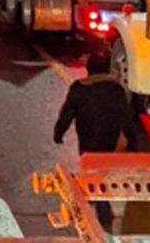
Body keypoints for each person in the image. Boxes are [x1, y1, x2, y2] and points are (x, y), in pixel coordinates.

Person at [54, 52, 137, 229]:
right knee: (103, 170)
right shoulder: (116, 89)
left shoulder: (79, 88)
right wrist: (132, 141)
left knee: (91, 170)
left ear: (88, 69)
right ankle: (101, 206)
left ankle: (99, 211)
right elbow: (126, 118)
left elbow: (67, 114)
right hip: (110, 140)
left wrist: (59, 133)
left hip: (88, 139)